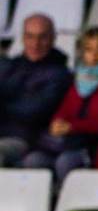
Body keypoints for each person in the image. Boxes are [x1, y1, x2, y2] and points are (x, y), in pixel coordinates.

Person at [26, 27, 98, 181]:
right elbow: (63, 112)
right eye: (89, 49)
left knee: (66, 162)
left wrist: (73, 127)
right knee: (34, 160)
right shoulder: (78, 81)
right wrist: (57, 125)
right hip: (71, 144)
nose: (94, 54)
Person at [0, 15, 70, 167]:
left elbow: (33, 111)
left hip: (27, 139)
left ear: (53, 38)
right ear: (23, 38)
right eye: (30, 36)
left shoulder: (59, 74)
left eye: (42, 37)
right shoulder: (10, 67)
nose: (35, 44)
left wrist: (4, 102)